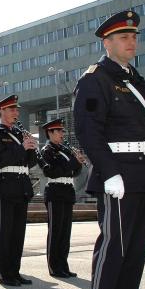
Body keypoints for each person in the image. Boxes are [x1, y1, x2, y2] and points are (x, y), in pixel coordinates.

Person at [74, 10, 145, 289]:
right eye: (124, 37)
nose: (132, 42)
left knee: (136, 251)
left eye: (134, 36)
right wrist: (109, 172)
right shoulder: (95, 78)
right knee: (114, 248)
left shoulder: (136, 79)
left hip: (143, 175)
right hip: (119, 177)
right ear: (108, 42)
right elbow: (87, 131)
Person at [0, 95, 37, 287]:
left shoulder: (20, 133)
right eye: (12, 110)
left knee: (18, 234)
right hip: (5, 185)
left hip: (21, 185)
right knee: (5, 232)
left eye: (17, 110)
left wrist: (31, 149)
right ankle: (4, 273)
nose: (16, 113)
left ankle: (15, 271)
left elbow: (30, 163)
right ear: (2, 112)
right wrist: (21, 148)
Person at [39, 119, 83, 278]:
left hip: (67, 190)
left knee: (65, 232)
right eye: (58, 131)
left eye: (62, 131)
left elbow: (75, 172)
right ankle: (54, 267)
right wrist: (72, 163)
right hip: (55, 191)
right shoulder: (47, 150)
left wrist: (78, 162)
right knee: (56, 231)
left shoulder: (66, 149)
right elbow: (52, 172)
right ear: (50, 133)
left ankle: (63, 265)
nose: (62, 134)